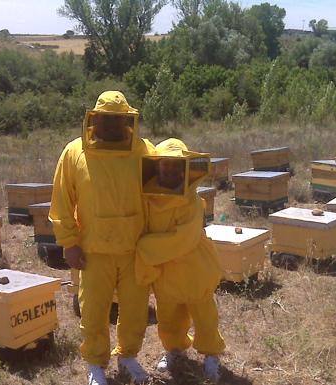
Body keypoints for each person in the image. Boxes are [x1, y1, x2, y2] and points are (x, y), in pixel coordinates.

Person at [50, 91, 153, 385]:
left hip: (135, 248)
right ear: (94, 119)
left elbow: (163, 191)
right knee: (93, 311)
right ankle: (95, 363)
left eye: (117, 120)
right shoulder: (73, 152)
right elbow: (61, 202)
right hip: (92, 250)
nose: (111, 126)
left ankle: (128, 356)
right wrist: (69, 242)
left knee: (134, 310)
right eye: (106, 120)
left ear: (127, 121)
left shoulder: (144, 150)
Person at [136, 138, 226, 382]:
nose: (171, 171)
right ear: (157, 167)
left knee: (204, 315)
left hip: (194, 268)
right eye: (166, 165)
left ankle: (210, 355)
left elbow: (183, 239)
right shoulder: (147, 198)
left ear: (186, 168)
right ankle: (174, 350)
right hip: (165, 273)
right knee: (168, 316)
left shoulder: (193, 200)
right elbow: (142, 227)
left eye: (177, 166)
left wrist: (144, 247)